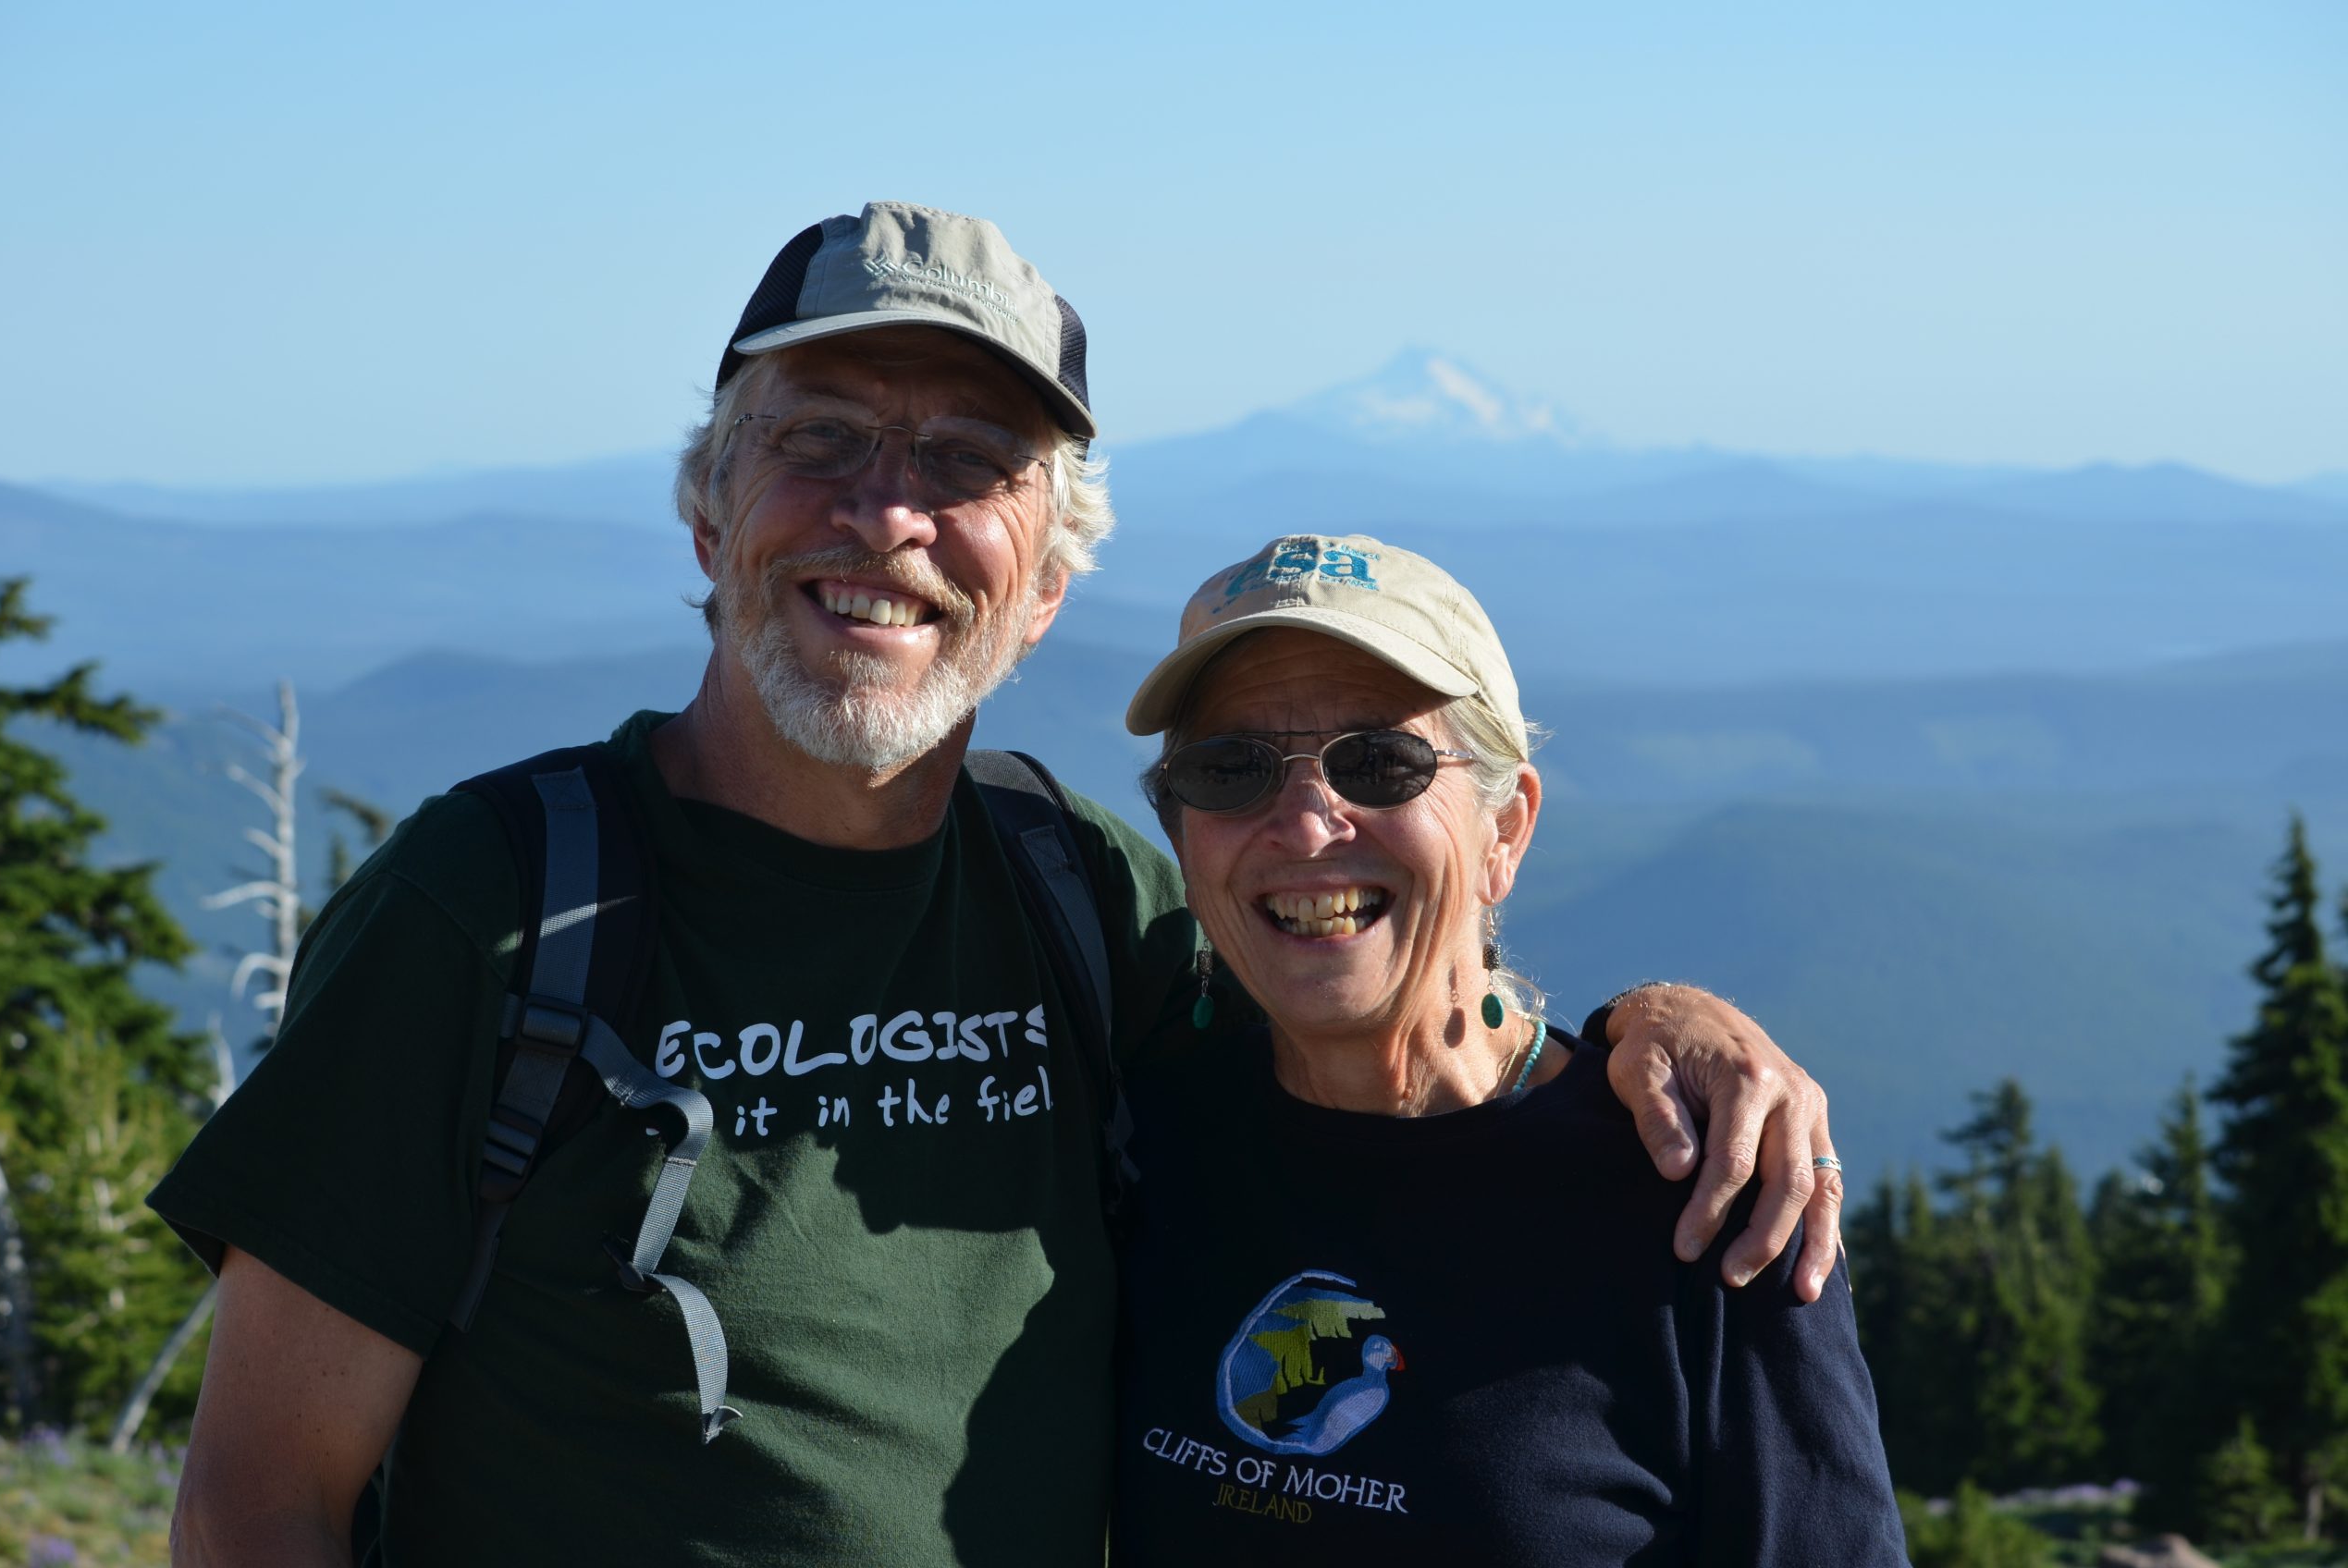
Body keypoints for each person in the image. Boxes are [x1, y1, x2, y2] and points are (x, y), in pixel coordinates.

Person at [150, 202, 1843, 1567]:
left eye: (969, 461)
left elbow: (1358, 1002)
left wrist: (1654, 1028)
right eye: (818, 438)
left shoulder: (1078, 892)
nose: (886, 511)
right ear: (705, 511)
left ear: (1041, 586)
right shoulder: (503, 906)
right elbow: (253, 1507)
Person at [1110, 532, 1897, 1564]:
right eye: (1229, 768)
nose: (1303, 824)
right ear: (1179, 832)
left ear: (1505, 829)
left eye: (1379, 763)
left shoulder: (1701, 1199)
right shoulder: (1141, 1134)